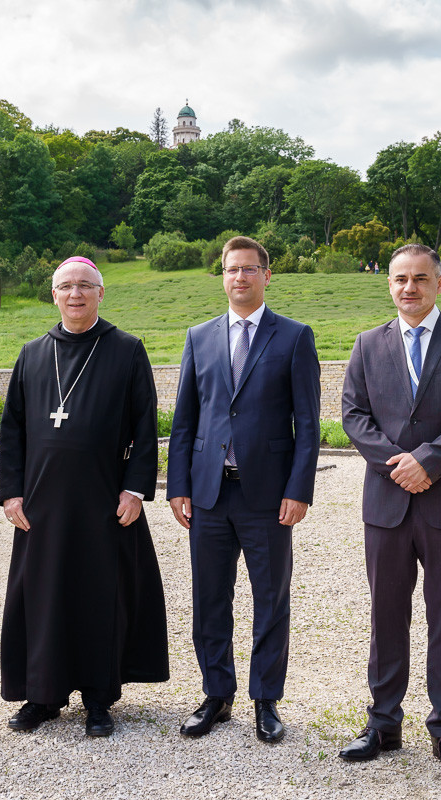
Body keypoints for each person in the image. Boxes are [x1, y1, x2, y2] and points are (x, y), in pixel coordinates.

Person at [338, 243, 441, 775]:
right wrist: (397, 466)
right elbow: (354, 416)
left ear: (439, 282)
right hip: (386, 504)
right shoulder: (367, 344)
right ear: (389, 284)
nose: (410, 288)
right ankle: (383, 724)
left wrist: (427, 462)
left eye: (420, 278)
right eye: (400, 279)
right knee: (386, 615)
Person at [0, 256, 168, 738]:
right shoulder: (32, 354)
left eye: (85, 286)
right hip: (41, 506)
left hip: (103, 502)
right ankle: (42, 695)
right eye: (66, 286)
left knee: (99, 597)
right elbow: (12, 430)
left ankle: (98, 697)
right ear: (54, 295)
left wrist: (135, 489)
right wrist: (10, 494)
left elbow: (146, 426)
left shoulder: (126, 350)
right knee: (43, 597)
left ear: (100, 293)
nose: (75, 294)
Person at [167, 236, 321, 744]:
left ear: (266, 275)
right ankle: (217, 695)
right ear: (223, 276)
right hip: (209, 495)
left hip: (268, 497)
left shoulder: (294, 337)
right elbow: (185, 419)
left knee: (270, 600)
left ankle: (265, 700)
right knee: (209, 598)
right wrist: (178, 485)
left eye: (250, 269)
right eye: (232, 269)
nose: (240, 277)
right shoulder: (199, 337)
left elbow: (307, 422)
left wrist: (298, 489)